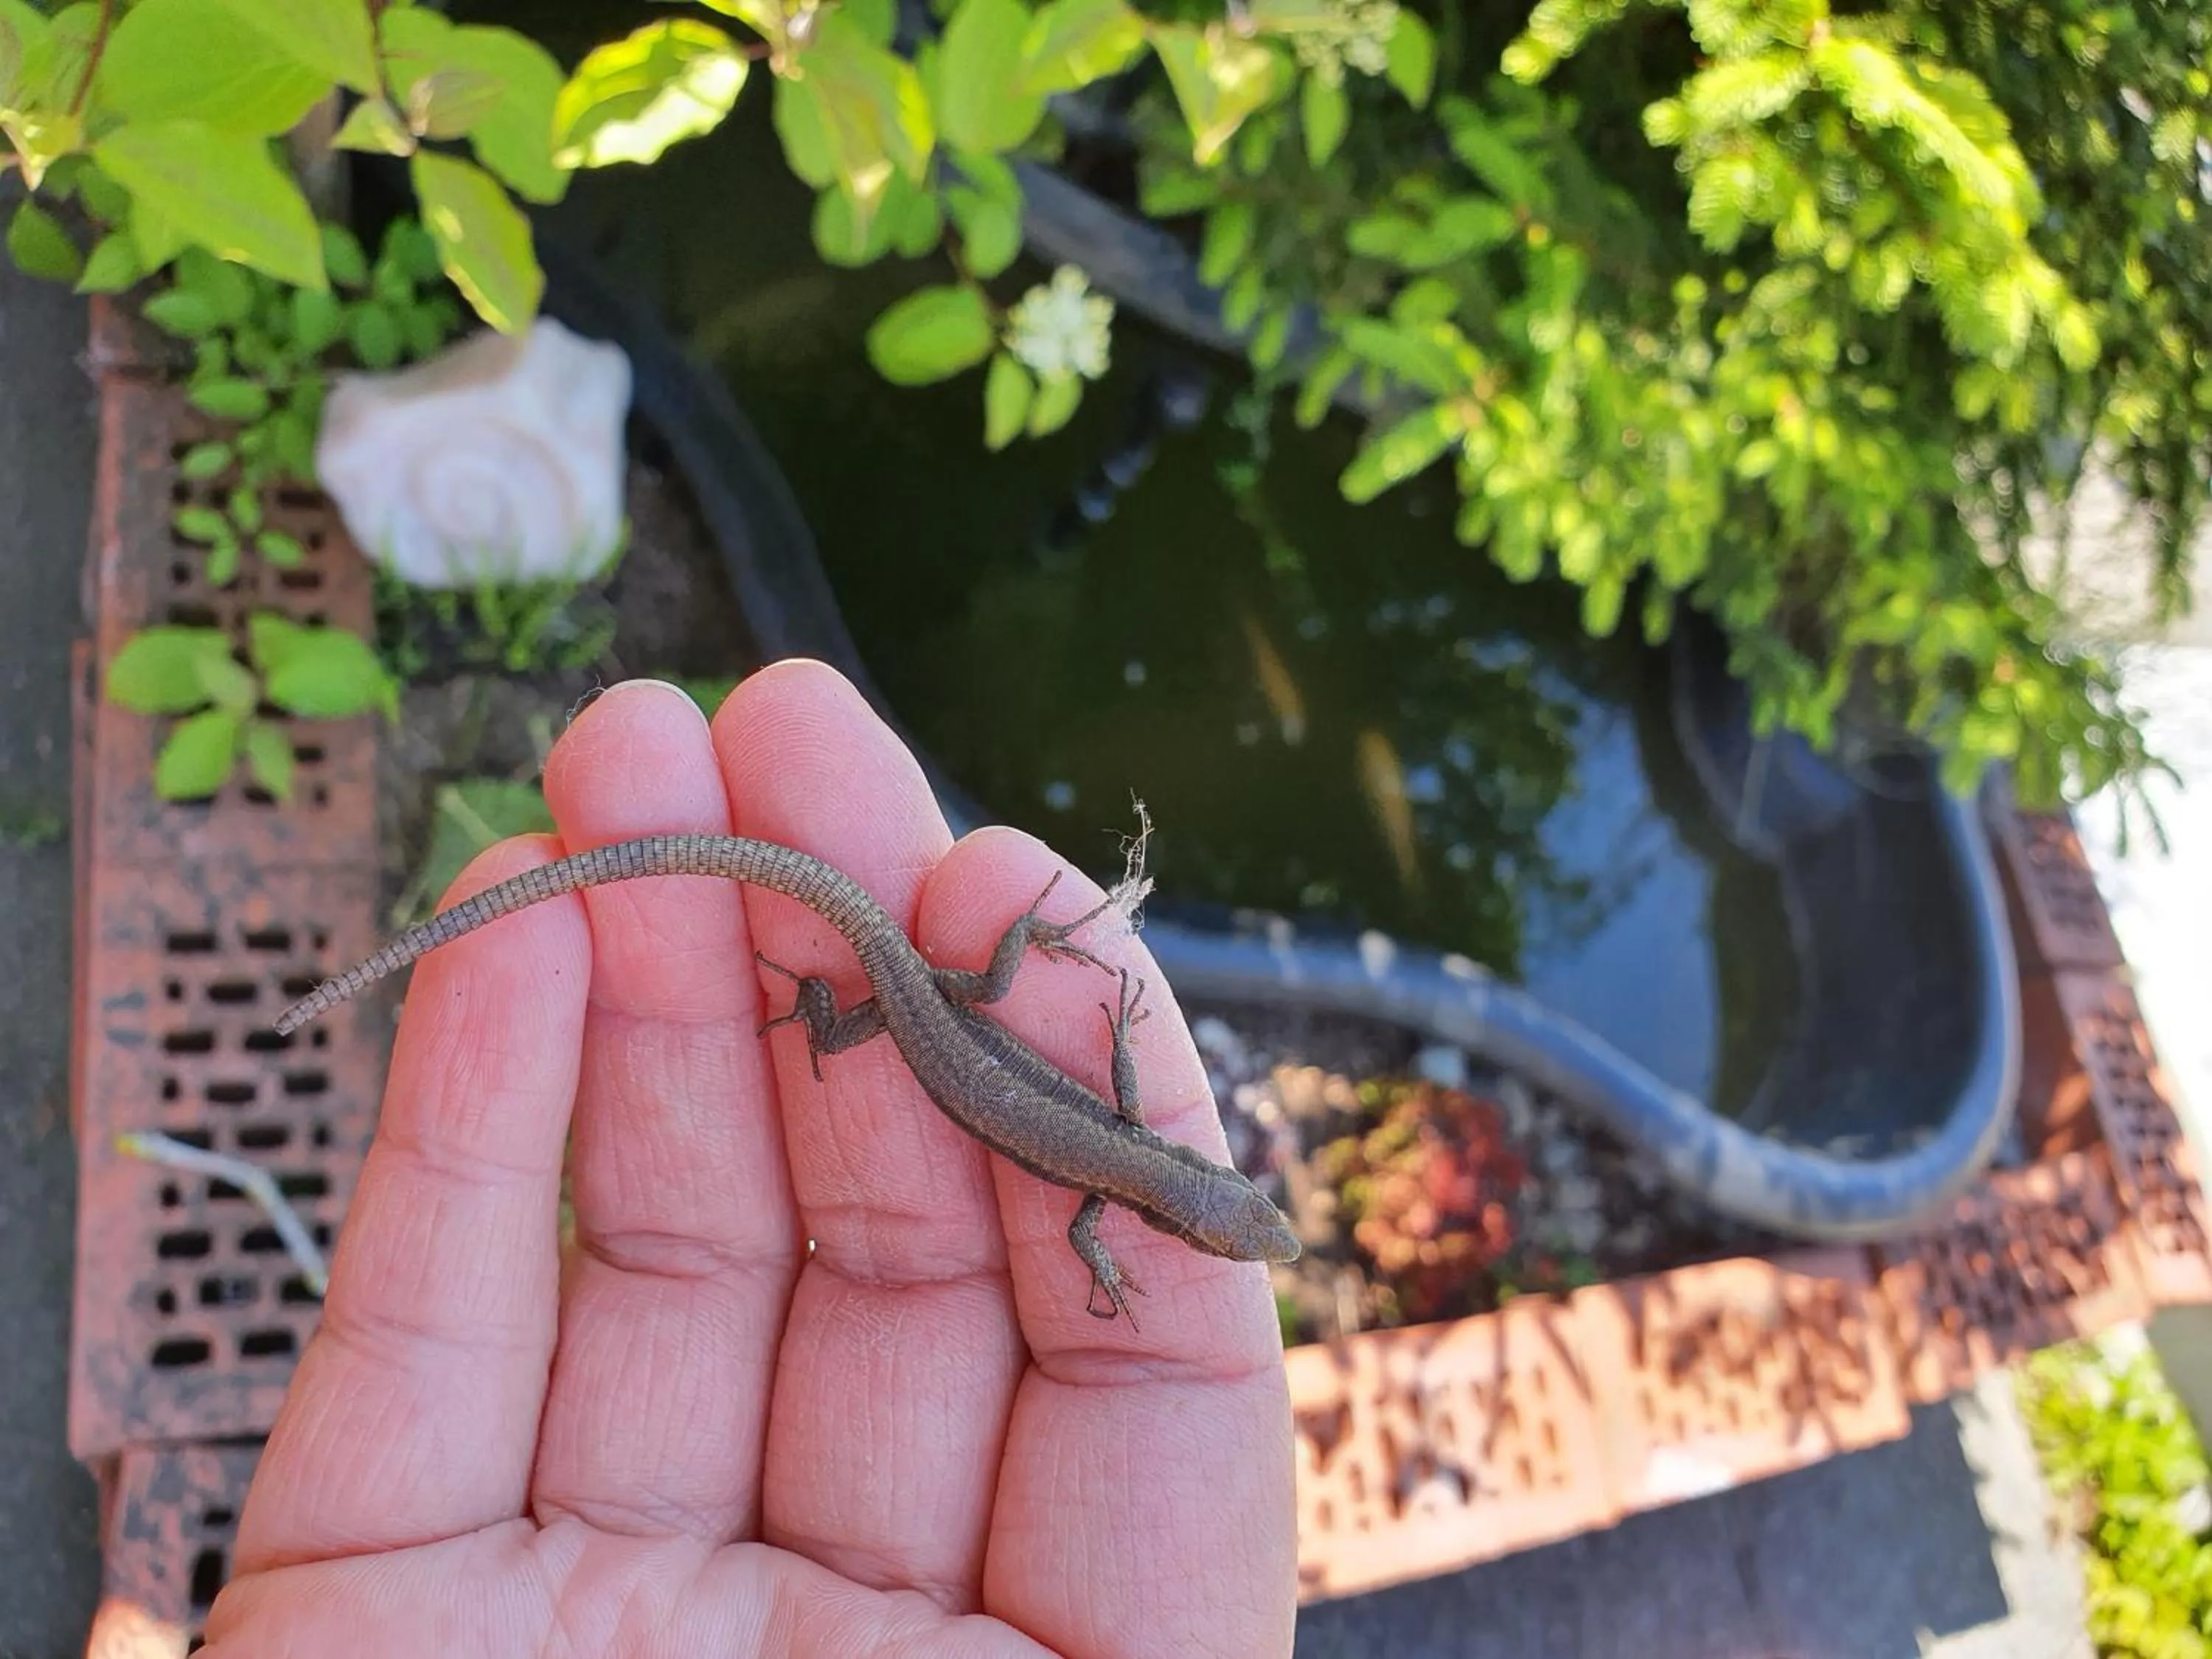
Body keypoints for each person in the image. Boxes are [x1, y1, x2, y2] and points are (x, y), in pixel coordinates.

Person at [201, 662, 1299, 1658]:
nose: (1239, 1224)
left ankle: (852, 992)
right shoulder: (1106, 1196)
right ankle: (816, 1007)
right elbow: (1081, 1224)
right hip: (912, 1011)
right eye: (1233, 1216)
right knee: (860, 980)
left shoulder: (1131, 1142)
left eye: (1228, 1219)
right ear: (1182, 1214)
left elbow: (1113, 1066)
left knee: (985, 983)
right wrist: (1101, 1274)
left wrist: (1069, 964)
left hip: (942, 1004)